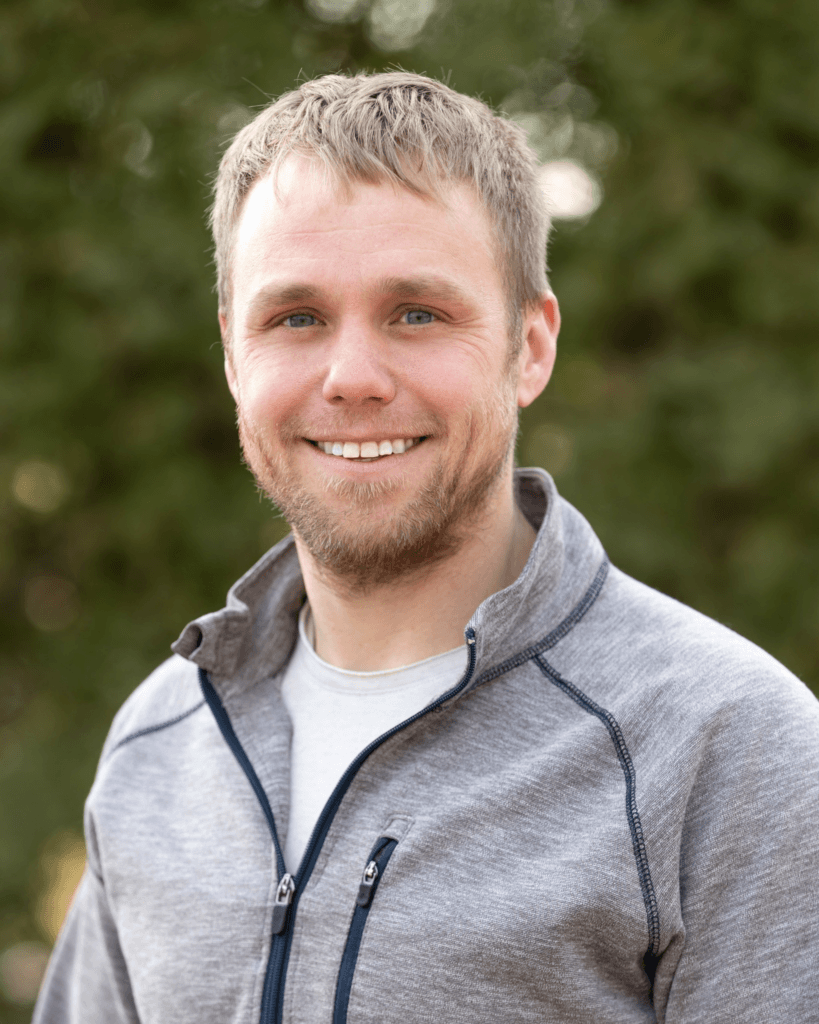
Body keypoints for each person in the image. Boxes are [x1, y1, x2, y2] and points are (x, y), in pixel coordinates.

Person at [34, 71, 819, 1024]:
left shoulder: (728, 750)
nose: (352, 377)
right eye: (295, 318)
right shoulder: (160, 741)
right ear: (234, 356)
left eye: (417, 313)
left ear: (530, 347)